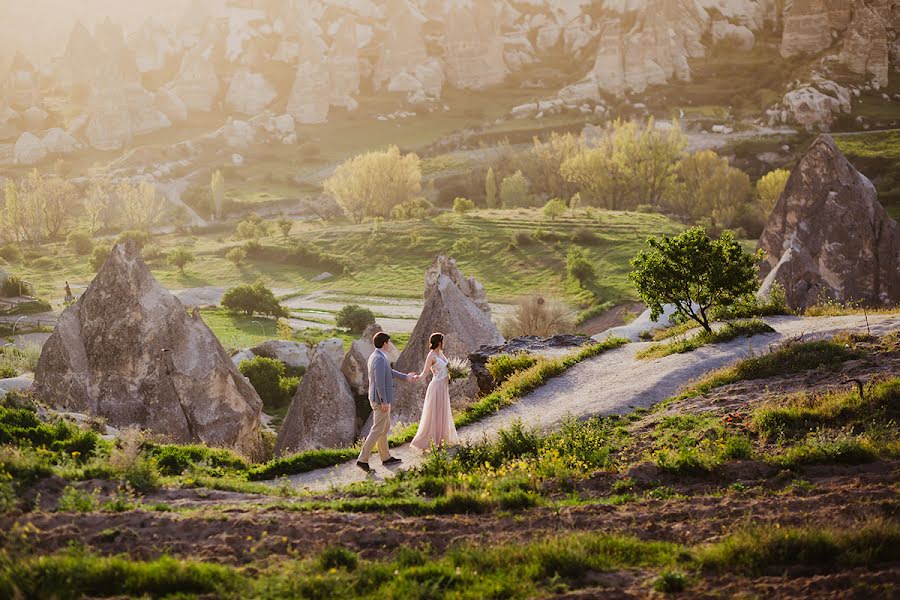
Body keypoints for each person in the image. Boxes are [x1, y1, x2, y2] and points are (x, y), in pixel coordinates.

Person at [357, 332, 417, 472]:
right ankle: (362, 459)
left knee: (383, 429)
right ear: (384, 343)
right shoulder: (378, 359)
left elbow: (390, 372)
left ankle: (385, 457)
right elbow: (379, 383)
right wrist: (384, 401)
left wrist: (406, 377)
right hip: (380, 400)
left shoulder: (378, 356)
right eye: (389, 342)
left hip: (381, 399)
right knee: (377, 430)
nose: (390, 344)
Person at [410, 332, 459, 451]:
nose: (444, 343)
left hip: (444, 387)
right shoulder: (431, 355)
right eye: (443, 341)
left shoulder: (441, 353)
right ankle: (432, 442)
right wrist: (417, 377)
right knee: (435, 414)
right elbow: (425, 372)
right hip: (436, 387)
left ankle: (441, 440)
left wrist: (455, 373)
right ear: (439, 342)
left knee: (443, 412)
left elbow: (448, 368)